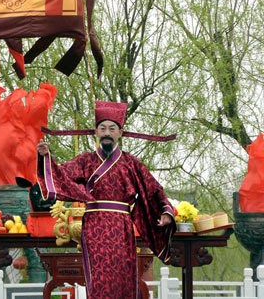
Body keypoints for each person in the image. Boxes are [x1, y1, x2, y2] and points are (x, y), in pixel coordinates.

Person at [37, 100, 176, 299]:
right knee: (99, 279)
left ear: (120, 133)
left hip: (121, 227)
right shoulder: (85, 160)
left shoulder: (130, 163)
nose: (107, 133)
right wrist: (46, 157)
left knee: (124, 277)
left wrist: (165, 211)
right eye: (102, 128)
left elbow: (153, 189)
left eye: (112, 128)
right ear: (96, 132)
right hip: (94, 226)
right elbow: (61, 176)